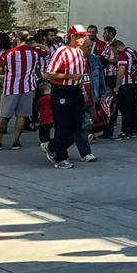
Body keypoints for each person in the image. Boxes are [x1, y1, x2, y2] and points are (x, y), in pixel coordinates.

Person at [41, 25, 90, 169]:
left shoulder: (79, 53)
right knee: (62, 124)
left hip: (75, 89)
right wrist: (69, 76)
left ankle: (52, 145)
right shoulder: (61, 51)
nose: (83, 39)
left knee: (76, 124)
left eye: (83, 36)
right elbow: (48, 74)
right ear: (72, 36)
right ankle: (60, 157)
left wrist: (83, 92)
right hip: (62, 90)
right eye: (80, 36)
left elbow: (80, 76)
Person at [0, 30, 41, 150]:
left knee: (3, 115)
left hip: (10, 87)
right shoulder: (34, 53)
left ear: (17, 38)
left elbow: (0, 70)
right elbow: (46, 52)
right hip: (27, 87)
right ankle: (16, 141)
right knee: (22, 115)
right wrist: (37, 45)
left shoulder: (8, 53)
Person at [113, 40, 137, 140]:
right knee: (133, 108)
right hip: (135, 84)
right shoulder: (133, 52)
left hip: (126, 85)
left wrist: (117, 86)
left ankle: (125, 131)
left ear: (117, 47)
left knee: (125, 109)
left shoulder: (123, 55)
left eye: (114, 51)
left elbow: (121, 71)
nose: (115, 53)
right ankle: (133, 130)